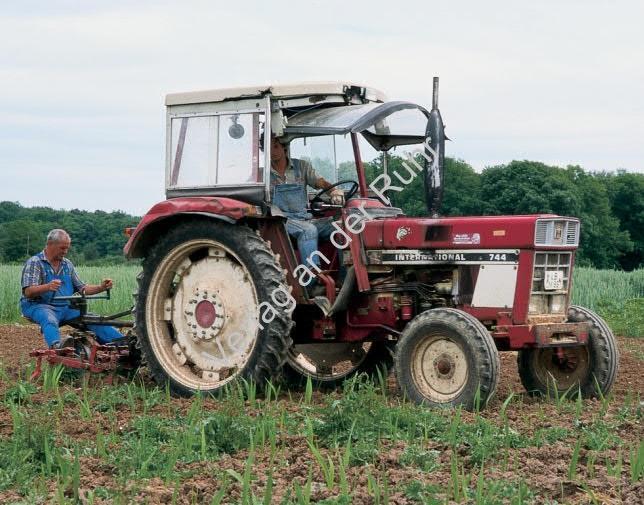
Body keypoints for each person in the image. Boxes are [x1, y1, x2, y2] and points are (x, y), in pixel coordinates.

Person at [20, 229, 124, 349]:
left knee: (94, 320)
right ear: (50, 244)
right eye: (62, 248)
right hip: (39, 306)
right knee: (48, 318)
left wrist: (101, 287)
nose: (65, 252)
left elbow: (82, 288)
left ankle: (122, 344)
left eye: (67, 248)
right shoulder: (35, 262)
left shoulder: (67, 264)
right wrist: (47, 287)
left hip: (64, 307)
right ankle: (57, 350)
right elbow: (28, 292)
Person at [268, 134, 345, 272]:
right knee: (308, 230)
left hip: (303, 218)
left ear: (284, 147)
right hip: (281, 221)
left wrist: (334, 191)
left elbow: (320, 182)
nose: (273, 152)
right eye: (268, 147)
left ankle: (344, 276)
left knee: (340, 226)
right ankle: (312, 278)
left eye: (276, 146)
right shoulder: (263, 174)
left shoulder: (301, 167)